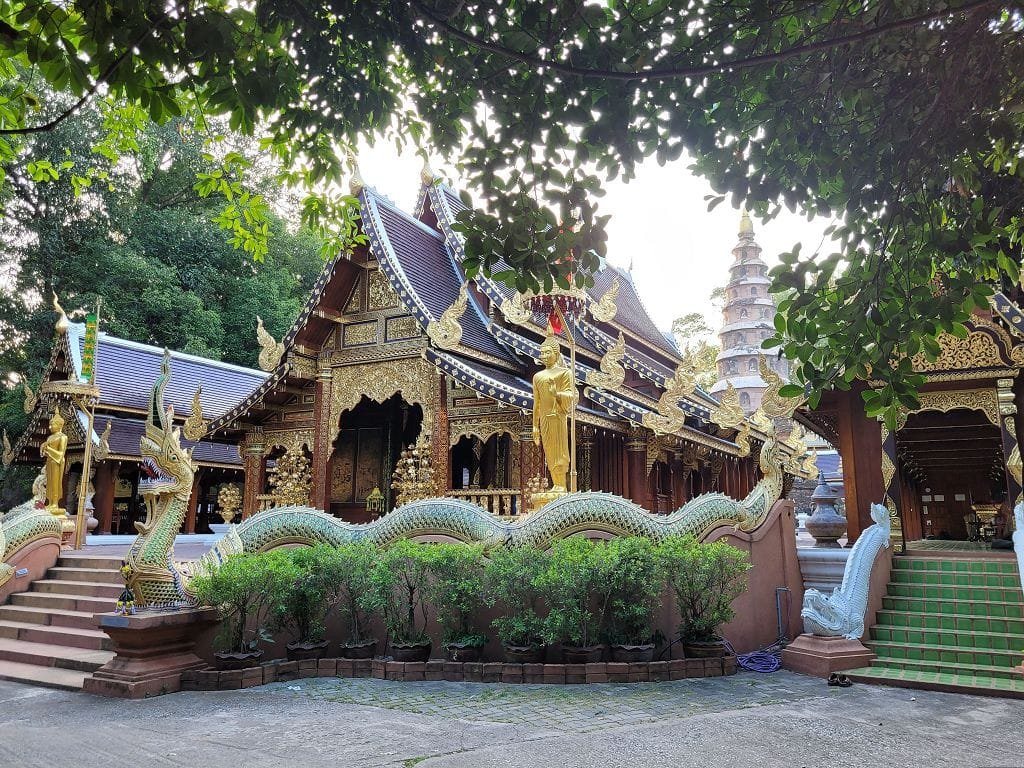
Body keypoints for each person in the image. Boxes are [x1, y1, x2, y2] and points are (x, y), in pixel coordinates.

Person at [532, 329, 576, 492]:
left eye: (547, 352)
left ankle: (561, 485)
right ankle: (555, 483)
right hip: (544, 417)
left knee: (559, 451)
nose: (543, 356)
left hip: (557, 416)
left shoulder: (565, 373)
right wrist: (535, 426)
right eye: (542, 353)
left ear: (556, 354)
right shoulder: (538, 376)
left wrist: (556, 393)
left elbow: (571, 395)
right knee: (549, 451)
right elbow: (536, 403)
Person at [40, 411, 68, 514]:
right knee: (50, 483)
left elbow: (61, 454)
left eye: (53, 424)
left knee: (56, 483)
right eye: (50, 424)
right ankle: (50, 502)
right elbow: (45, 452)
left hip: (57, 462)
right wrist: (44, 450)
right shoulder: (50, 437)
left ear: (60, 425)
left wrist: (48, 449)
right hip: (50, 461)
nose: (50, 427)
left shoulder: (63, 437)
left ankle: (55, 503)